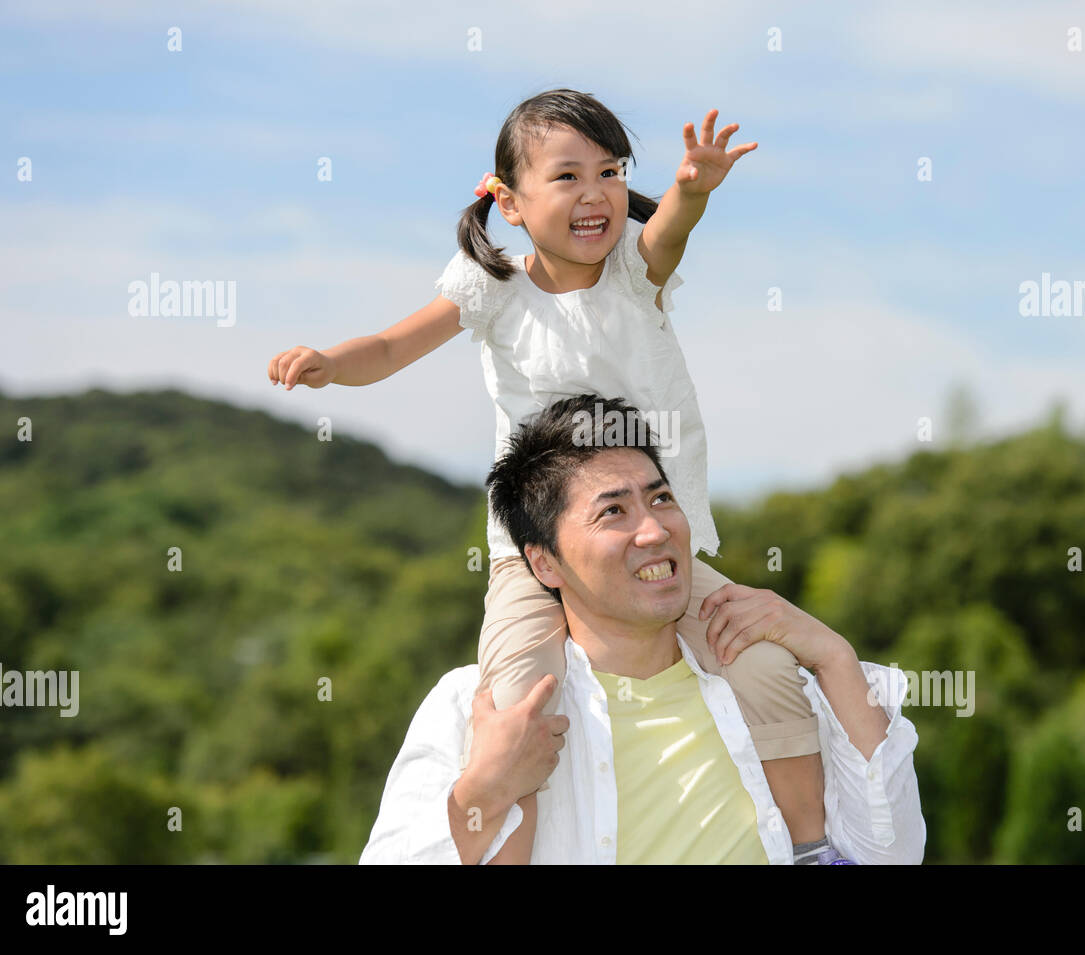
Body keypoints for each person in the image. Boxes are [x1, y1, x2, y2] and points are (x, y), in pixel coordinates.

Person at [268, 88, 835, 863]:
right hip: (534, 556)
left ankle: (814, 849)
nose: (595, 193)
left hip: (651, 550)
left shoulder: (634, 274)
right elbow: (394, 346)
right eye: (567, 177)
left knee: (766, 668)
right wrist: (333, 364)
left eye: (610, 171)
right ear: (507, 201)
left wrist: (692, 188)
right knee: (518, 705)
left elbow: (667, 232)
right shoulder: (490, 285)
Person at [359, 394, 926, 864]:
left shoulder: (766, 686)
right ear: (544, 563)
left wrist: (832, 655)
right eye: (613, 512)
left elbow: (891, 853)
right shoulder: (476, 710)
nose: (654, 530)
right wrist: (484, 789)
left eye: (660, 498)